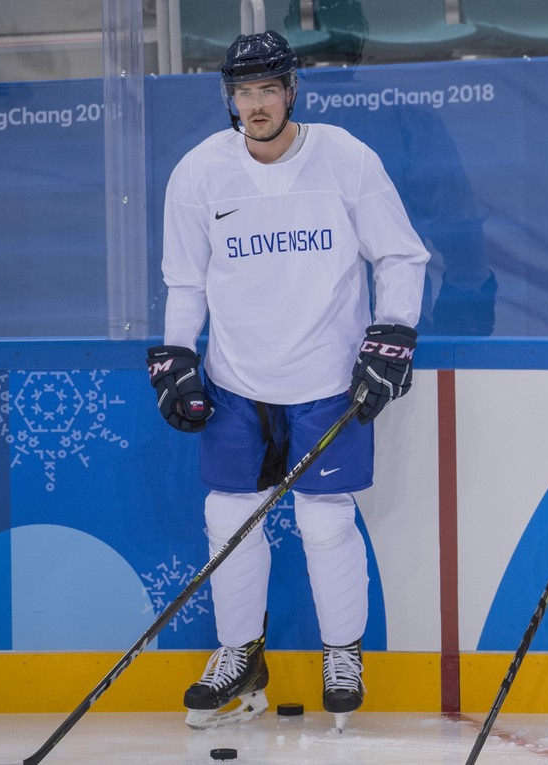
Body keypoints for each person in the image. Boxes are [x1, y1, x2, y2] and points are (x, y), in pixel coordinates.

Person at [146, 30, 428, 733]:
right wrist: (177, 356)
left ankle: (343, 653)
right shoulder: (199, 173)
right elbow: (184, 280)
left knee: (323, 519)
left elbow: (401, 254)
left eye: (268, 89)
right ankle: (240, 656)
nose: (257, 104)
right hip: (237, 380)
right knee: (227, 518)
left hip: (327, 377)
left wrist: (392, 334)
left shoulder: (345, 159)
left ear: (292, 89)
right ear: (229, 99)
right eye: (244, 92)